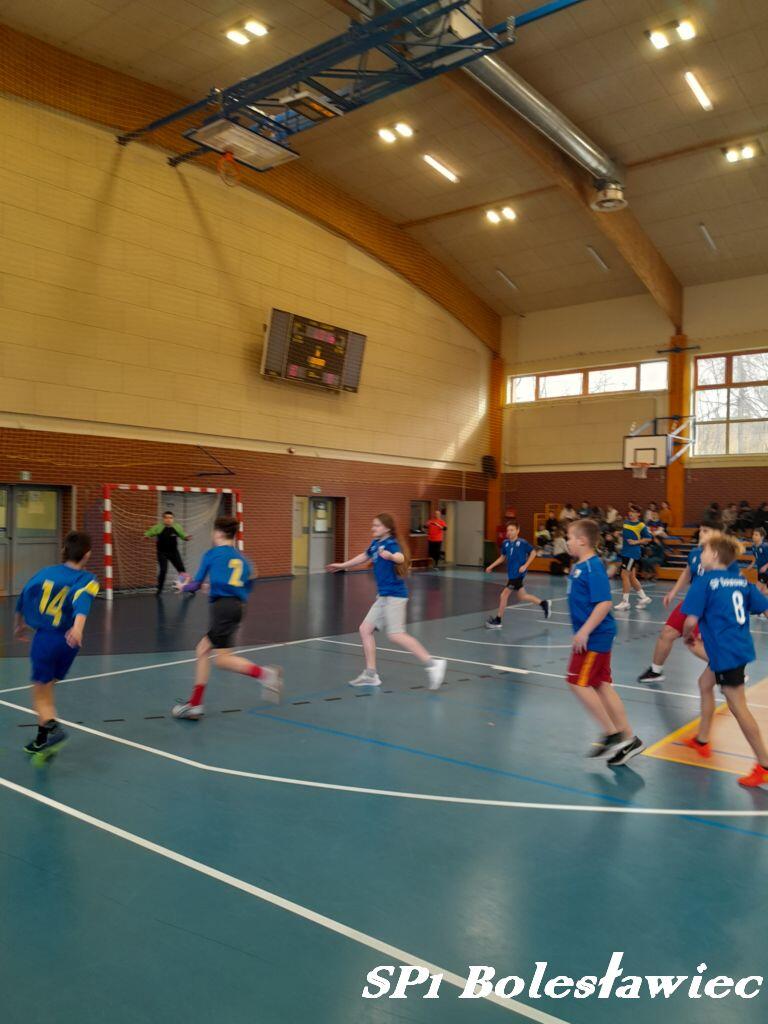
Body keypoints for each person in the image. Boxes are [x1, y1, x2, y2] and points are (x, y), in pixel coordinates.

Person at [172, 516, 283, 718]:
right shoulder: (242, 559)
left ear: (218, 533)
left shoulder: (211, 554)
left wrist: (183, 586)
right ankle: (196, 704)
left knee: (219, 658)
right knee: (207, 652)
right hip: (236, 608)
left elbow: (195, 585)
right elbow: (251, 578)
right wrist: (217, 589)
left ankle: (266, 675)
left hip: (222, 610)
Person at [681, 533, 768, 787]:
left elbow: (690, 621)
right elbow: (764, 607)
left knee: (737, 706)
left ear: (715, 555)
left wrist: (687, 637)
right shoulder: (741, 581)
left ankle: (764, 764)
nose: (701, 554)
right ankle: (702, 740)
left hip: (724, 652)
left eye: (705, 550)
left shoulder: (705, 582)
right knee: (704, 683)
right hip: (738, 646)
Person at [327, 513, 447, 689]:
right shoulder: (376, 543)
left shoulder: (391, 543)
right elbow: (363, 556)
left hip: (395, 596)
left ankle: (433, 664)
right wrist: (342, 565)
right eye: (373, 525)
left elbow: (400, 557)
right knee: (365, 629)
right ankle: (371, 674)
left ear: (387, 528)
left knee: (396, 634)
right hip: (383, 596)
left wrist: (390, 557)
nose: (373, 528)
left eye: (376, 525)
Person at [13, 531, 99, 760]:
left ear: (64, 551)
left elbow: (24, 597)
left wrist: (19, 624)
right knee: (48, 689)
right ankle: (41, 740)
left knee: (39, 695)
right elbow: (82, 601)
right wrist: (77, 628)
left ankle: (54, 730)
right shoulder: (89, 579)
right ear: (87, 554)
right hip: (70, 643)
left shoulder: (45, 573)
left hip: (46, 640)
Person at [565, 519, 644, 765]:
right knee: (600, 684)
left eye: (569, 537)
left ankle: (611, 733)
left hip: (595, 636)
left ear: (582, 540)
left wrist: (584, 631)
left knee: (577, 682)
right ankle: (629, 739)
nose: (567, 542)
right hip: (596, 635)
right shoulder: (579, 566)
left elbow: (604, 603)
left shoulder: (592, 567)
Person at [637, 516, 722, 683]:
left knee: (694, 643)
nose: (701, 533)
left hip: (708, 605)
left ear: (718, 535)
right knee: (667, 633)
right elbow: (687, 572)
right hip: (692, 602)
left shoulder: (722, 557)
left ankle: (730, 669)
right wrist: (673, 592)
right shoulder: (695, 553)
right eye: (701, 530)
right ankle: (656, 671)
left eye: (706, 531)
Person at [485, 520, 551, 627]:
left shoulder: (522, 543)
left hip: (518, 574)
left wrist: (525, 566)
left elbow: (533, 552)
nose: (509, 532)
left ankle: (498, 620)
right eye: (508, 530)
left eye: (512, 530)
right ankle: (543, 603)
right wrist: (491, 566)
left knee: (504, 595)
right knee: (522, 596)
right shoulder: (505, 543)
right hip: (512, 574)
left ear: (517, 531)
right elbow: (502, 557)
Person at [614, 504, 652, 611]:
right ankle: (644, 598)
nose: (630, 513)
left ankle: (625, 602)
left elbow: (648, 538)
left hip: (632, 553)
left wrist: (636, 542)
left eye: (633, 512)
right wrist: (619, 533)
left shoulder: (641, 525)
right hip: (625, 552)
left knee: (624, 575)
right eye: (630, 511)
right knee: (631, 577)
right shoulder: (626, 522)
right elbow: (627, 533)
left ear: (638, 514)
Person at [145, 511, 189, 595]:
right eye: (166, 518)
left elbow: (183, 535)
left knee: (182, 570)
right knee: (163, 570)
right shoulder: (158, 527)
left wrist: (186, 538)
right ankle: (159, 589)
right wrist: (146, 535)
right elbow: (150, 532)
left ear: (173, 519)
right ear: (163, 519)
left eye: (170, 518)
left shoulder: (177, 527)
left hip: (174, 552)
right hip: (162, 553)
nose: (169, 519)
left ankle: (187, 587)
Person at [749, 526, 768, 594]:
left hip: (766, 571)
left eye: (756, 535)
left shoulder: (765, 547)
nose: (753, 536)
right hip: (760, 571)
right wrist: (751, 565)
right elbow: (756, 558)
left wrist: (765, 566)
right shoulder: (753, 547)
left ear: (762, 537)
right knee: (763, 591)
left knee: (757, 589)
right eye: (753, 534)